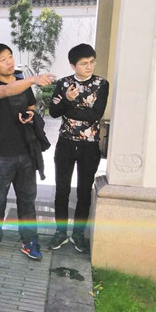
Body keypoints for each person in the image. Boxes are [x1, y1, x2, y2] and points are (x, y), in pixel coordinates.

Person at [0, 44, 55, 260]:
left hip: (26, 152)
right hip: (0, 155)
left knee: (27, 200)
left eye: (10, 56)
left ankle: (30, 241)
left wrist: (29, 115)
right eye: (2, 59)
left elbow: (31, 107)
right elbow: (7, 91)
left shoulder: (23, 84)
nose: (9, 61)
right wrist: (33, 79)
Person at [48, 44, 109, 253]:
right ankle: (60, 232)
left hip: (89, 145)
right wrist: (67, 99)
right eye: (84, 63)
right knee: (62, 190)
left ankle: (78, 234)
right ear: (73, 65)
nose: (89, 66)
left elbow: (96, 114)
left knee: (84, 191)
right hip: (65, 143)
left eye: (92, 62)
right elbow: (53, 112)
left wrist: (69, 107)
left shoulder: (101, 84)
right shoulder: (63, 84)